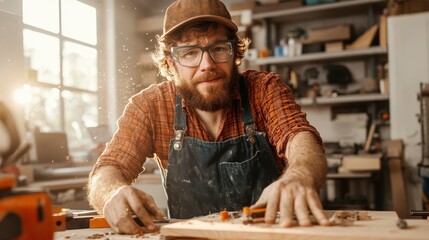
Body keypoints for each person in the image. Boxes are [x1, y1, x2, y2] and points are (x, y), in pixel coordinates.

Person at [87, 0, 329, 235]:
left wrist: (299, 176)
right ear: (171, 63)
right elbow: (109, 168)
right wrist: (112, 193)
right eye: (190, 53)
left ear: (234, 51)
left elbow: (300, 137)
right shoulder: (149, 106)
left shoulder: (264, 89)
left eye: (218, 49)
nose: (207, 64)